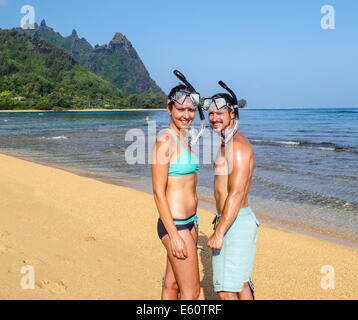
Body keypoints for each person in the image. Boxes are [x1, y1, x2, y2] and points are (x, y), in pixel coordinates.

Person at [204, 89, 259, 300]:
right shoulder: (225, 142)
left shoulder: (237, 146)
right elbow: (225, 188)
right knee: (239, 283)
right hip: (232, 219)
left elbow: (236, 193)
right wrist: (220, 217)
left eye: (220, 113)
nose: (214, 118)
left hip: (234, 222)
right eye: (211, 113)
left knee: (225, 289)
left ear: (232, 115)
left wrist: (220, 231)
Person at [151, 84, 201, 300]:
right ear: (169, 109)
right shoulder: (164, 140)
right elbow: (158, 192)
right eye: (181, 110)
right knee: (192, 292)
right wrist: (174, 236)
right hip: (176, 225)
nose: (187, 115)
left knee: (172, 285)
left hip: (191, 222)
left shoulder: (185, 137)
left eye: (191, 110)